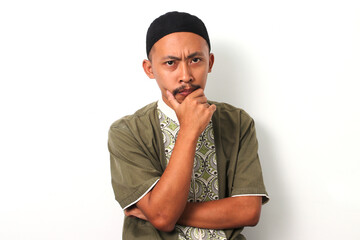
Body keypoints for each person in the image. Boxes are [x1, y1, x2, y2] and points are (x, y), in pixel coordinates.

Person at [108, 11, 269, 240]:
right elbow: (163, 217)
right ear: (150, 69)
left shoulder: (238, 122)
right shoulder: (127, 132)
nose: (185, 76)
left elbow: (248, 211)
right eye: (171, 63)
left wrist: (160, 212)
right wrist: (189, 130)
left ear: (210, 62)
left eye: (195, 60)